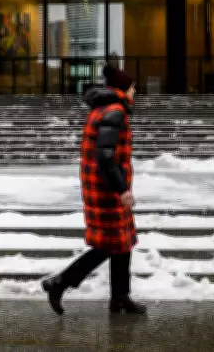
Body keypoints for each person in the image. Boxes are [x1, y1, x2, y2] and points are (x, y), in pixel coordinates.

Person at [41, 63, 147, 316]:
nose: (135, 93)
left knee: (122, 243)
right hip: (107, 188)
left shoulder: (104, 109)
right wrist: (122, 189)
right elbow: (105, 156)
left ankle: (120, 297)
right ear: (123, 89)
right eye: (133, 88)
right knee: (108, 245)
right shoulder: (115, 112)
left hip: (102, 184)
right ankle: (59, 282)